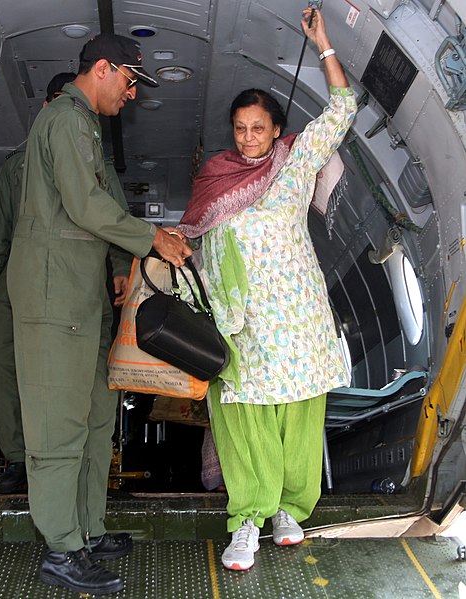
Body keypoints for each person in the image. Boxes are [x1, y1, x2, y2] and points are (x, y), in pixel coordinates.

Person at [6, 33, 192, 596]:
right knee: (58, 427)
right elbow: (87, 206)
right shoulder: (65, 121)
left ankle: (85, 528)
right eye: (131, 80)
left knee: (92, 423)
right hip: (51, 299)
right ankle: (62, 548)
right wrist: (152, 239)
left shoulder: (83, 127)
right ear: (105, 69)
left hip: (79, 300)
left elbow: (91, 207)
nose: (132, 95)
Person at [178, 8, 357, 571]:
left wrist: (323, 42)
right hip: (242, 321)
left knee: (299, 413)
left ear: (276, 129)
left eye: (259, 128)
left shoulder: (295, 163)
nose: (249, 138)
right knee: (243, 416)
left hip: (298, 314)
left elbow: (344, 109)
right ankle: (246, 521)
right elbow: (193, 240)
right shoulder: (216, 177)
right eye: (240, 128)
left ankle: (288, 510)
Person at [0, 72, 76, 494]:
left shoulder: (91, 164)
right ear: (47, 107)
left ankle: (64, 466)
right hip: (16, 280)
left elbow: (111, 220)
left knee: (60, 377)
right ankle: (17, 460)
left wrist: (121, 270)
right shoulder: (16, 166)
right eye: (54, 101)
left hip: (66, 286)